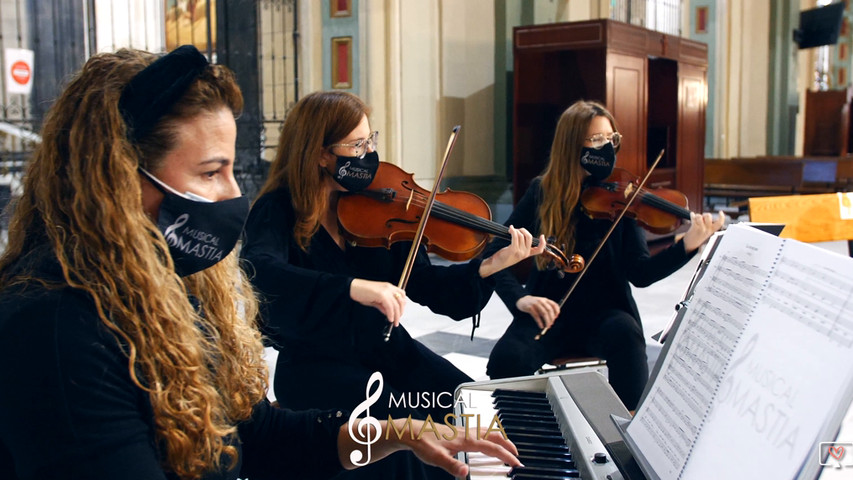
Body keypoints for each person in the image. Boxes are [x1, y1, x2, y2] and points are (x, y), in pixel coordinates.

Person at [0, 46, 521, 480]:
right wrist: (349, 292)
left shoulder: (171, 295)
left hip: (383, 359)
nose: (233, 192)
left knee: (439, 416)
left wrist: (396, 433)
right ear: (115, 180)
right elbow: (269, 276)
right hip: (326, 366)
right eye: (210, 172)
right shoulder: (57, 328)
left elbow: (255, 439)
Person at [241, 90, 545, 479]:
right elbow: (261, 271)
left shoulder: (383, 204)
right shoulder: (278, 208)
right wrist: (352, 288)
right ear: (319, 153)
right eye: (357, 144)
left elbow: (430, 285)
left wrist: (488, 266)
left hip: (388, 352)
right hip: (318, 366)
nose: (369, 153)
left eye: (372, 140)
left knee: (469, 405)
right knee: (410, 451)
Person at [484, 100, 725, 411]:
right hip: (548, 314)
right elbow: (494, 252)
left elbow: (640, 272)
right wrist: (520, 299)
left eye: (611, 139)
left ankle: (629, 428)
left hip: (606, 315)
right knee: (506, 360)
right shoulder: (542, 192)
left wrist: (687, 244)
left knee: (626, 335)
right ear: (572, 145)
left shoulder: (621, 196)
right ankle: (529, 436)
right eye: (597, 140)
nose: (607, 147)